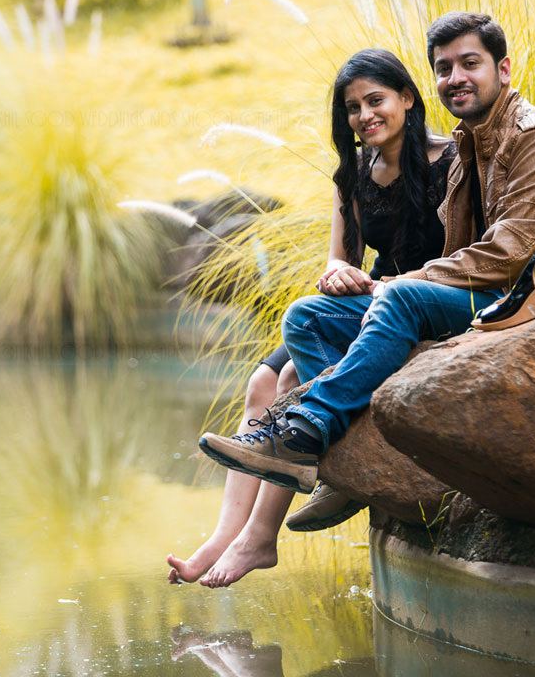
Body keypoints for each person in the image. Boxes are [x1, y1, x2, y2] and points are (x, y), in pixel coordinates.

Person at [198, 11, 535, 511]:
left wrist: (398, 282)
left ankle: (305, 431)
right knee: (307, 317)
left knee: (400, 295)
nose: (455, 78)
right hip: (483, 291)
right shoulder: (469, 140)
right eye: (444, 67)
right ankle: (347, 457)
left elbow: (507, 254)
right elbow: (449, 253)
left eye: (469, 63)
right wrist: (369, 282)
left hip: (531, 296)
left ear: (504, 69)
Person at [167, 48, 457, 588]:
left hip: (422, 297)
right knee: (260, 379)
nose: (365, 116)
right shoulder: (354, 173)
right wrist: (334, 275)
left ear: (408, 99)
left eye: (376, 101)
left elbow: (465, 252)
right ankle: (222, 536)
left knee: (293, 377)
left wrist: (387, 285)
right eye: (352, 107)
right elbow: (339, 257)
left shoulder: (451, 160)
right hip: (366, 294)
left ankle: (260, 537)